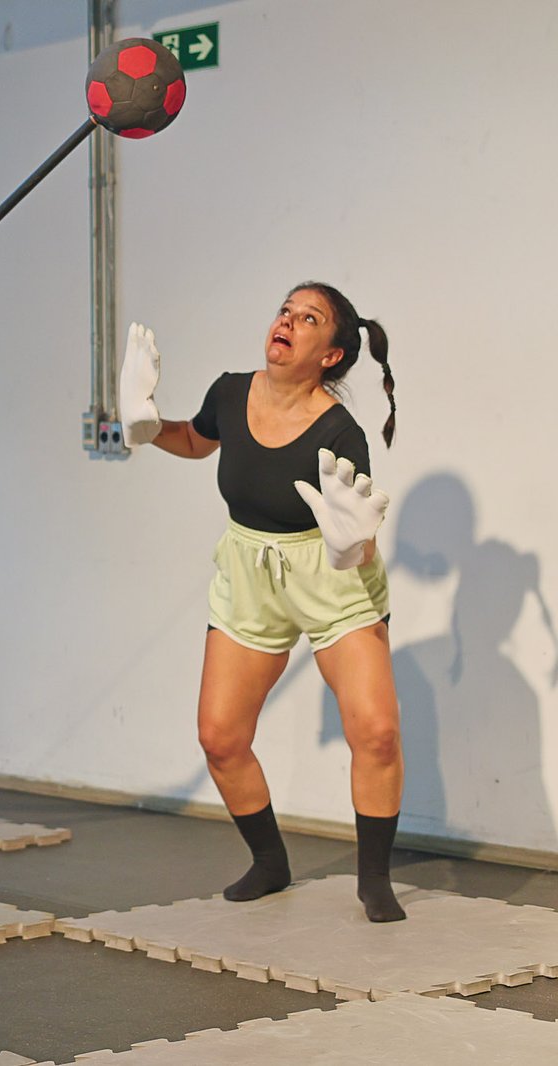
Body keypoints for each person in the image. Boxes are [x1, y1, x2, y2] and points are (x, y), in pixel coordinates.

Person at [121, 281, 406, 922]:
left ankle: (375, 880)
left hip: (332, 577)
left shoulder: (341, 430)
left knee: (378, 733)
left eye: (309, 319)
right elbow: (198, 441)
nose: (288, 321)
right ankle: (271, 862)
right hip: (250, 569)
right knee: (220, 736)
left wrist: (348, 547)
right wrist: (145, 426)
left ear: (330, 354)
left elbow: (357, 532)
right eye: (286, 310)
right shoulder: (229, 391)